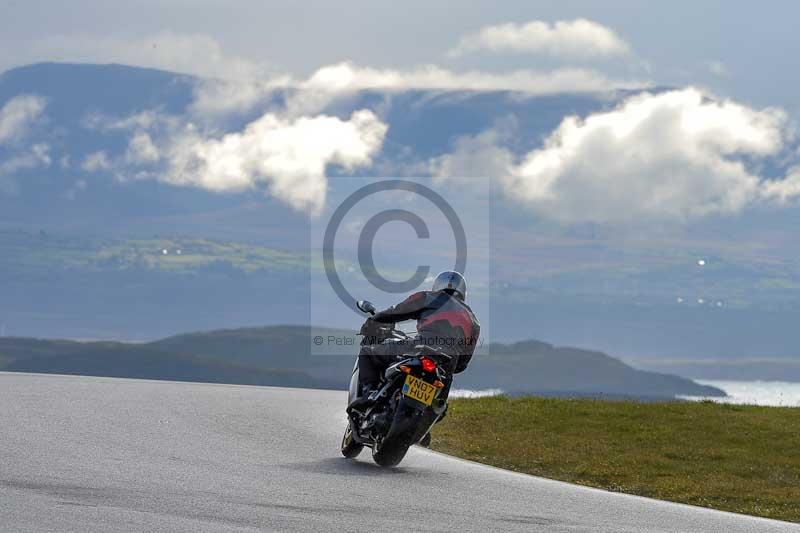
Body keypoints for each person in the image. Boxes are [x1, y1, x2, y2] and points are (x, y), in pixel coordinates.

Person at [352, 271, 480, 407]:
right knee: (439, 407)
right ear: (463, 292)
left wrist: (373, 321)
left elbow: (397, 311)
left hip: (420, 348)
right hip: (446, 366)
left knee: (368, 352)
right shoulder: (474, 321)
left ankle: (369, 394)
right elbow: (462, 363)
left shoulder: (430, 297)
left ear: (437, 286)